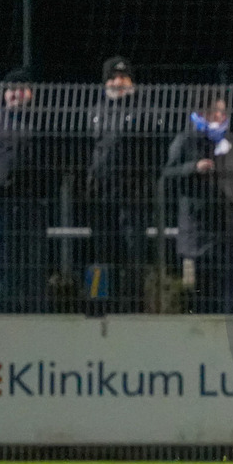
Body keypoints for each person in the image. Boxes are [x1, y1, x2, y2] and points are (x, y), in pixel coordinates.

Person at [86, 56, 165, 314]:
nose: (118, 82)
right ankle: (98, 308)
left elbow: (155, 148)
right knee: (100, 255)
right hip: (101, 197)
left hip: (134, 196)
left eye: (123, 77)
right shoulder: (95, 112)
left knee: (134, 256)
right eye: (113, 77)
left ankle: (131, 310)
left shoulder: (147, 110)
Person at [163, 92, 233, 314]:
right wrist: (193, 167)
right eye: (215, 111)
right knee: (204, 294)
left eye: (223, 111)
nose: (220, 115)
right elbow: (168, 174)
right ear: (202, 113)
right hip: (199, 231)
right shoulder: (186, 139)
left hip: (230, 229)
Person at [0, 67, 50, 313]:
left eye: (20, 89)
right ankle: (8, 308)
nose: (14, 94)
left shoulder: (43, 122)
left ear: (31, 93)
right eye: (9, 89)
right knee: (6, 258)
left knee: (33, 258)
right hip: (3, 201)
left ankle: (35, 308)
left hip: (33, 200)